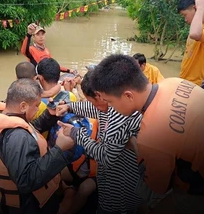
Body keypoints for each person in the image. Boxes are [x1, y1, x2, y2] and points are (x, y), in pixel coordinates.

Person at [89, 54, 204, 214]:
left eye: (110, 102)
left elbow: (159, 186)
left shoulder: (151, 137)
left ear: (128, 96)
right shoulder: (173, 82)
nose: (110, 107)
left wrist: (133, 144)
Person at [0, 78, 76, 214]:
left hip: (5, 198)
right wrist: (60, 149)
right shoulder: (17, 137)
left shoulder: (0, 118)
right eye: (36, 105)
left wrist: (49, 115)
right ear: (23, 106)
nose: (37, 110)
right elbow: (26, 181)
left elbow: (31, 129)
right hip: (27, 206)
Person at [57, 71, 144, 214]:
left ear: (99, 96)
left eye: (91, 100)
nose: (93, 106)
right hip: (113, 175)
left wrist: (76, 133)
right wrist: (69, 106)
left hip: (121, 179)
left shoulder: (118, 115)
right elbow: (93, 108)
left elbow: (106, 156)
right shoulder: (112, 100)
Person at [177, 0, 204, 86]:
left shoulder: (200, 29)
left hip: (199, 88)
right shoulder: (197, 26)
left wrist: (200, 9)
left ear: (195, 8)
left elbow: (195, 34)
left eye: (185, 15)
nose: (185, 19)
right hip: (186, 85)